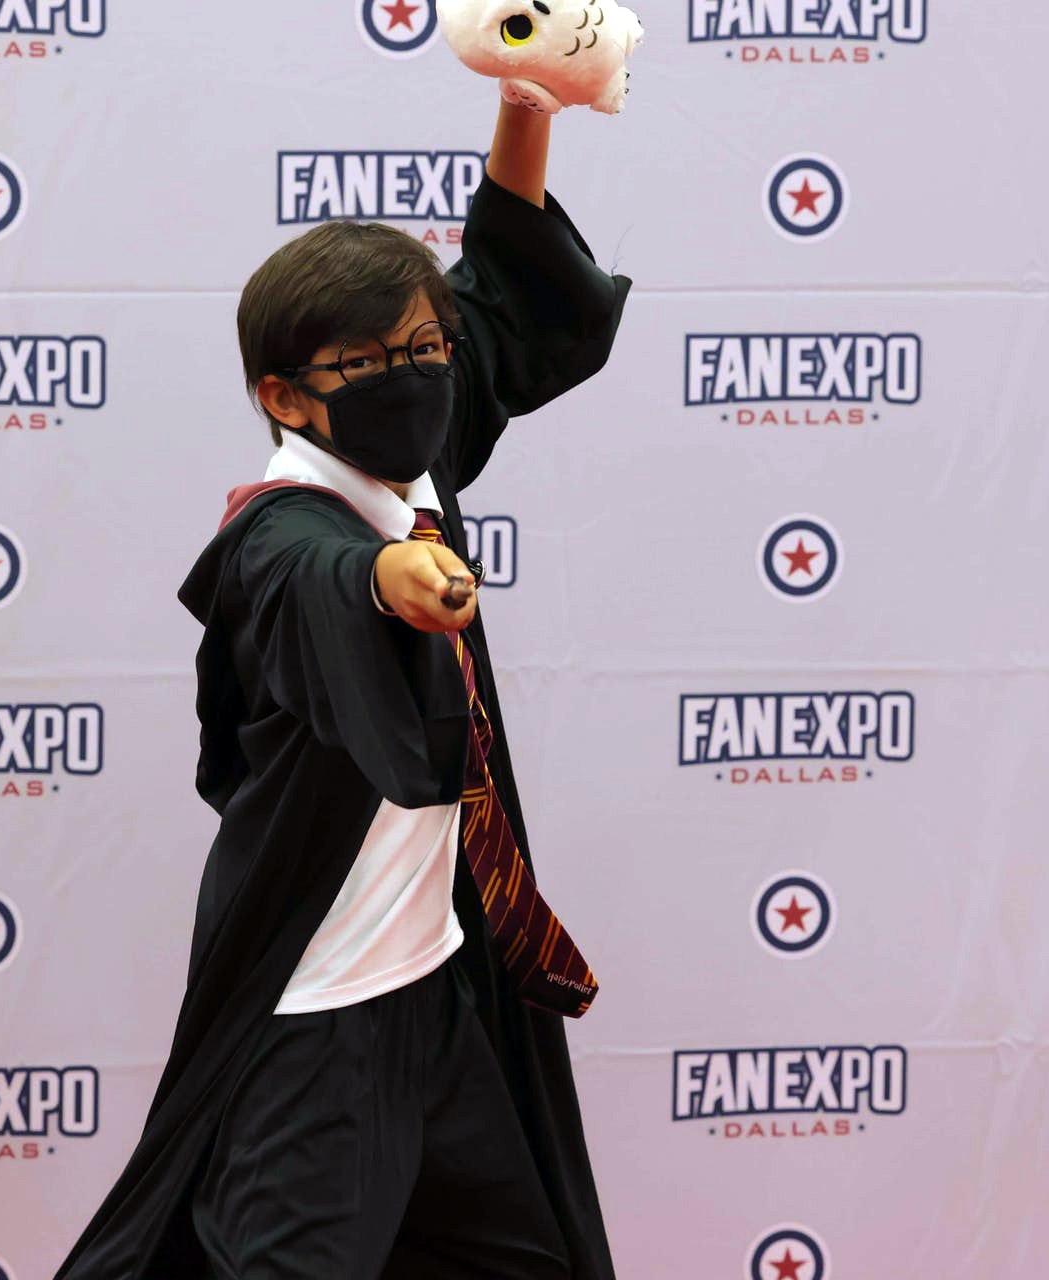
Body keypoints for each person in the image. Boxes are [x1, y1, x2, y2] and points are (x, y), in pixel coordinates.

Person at [53, 95, 631, 1280]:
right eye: (365, 362)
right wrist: (394, 578)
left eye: (423, 352)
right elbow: (323, 578)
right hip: (326, 1023)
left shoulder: (409, 443)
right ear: (284, 395)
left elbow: (499, 288)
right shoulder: (282, 540)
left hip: (437, 993)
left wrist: (525, 109)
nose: (412, 376)